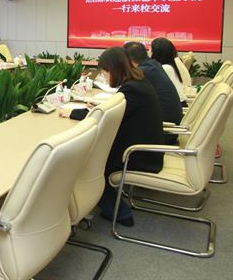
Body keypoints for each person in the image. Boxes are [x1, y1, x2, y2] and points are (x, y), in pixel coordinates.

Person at [59, 47, 164, 226]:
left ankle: (120, 213)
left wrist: (72, 113)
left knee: (89, 163)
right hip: (143, 146)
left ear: (113, 70)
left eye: (104, 72)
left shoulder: (131, 90)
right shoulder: (138, 82)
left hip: (138, 155)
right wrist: (98, 109)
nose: (104, 77)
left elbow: (103, 118)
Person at [124, 42, 183, 127]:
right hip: (170, 121)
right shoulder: (154, 65)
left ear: (127, 59)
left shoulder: (142, 72)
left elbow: (126, 91)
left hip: (164, 125)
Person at [151, 37, 187, 105]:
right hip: (178, 104)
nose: (149, 51)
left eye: (151, 49)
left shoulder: (164, 69)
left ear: (156, 53)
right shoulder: (170, 67)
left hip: (175, 106)